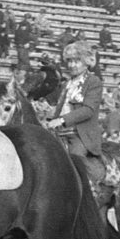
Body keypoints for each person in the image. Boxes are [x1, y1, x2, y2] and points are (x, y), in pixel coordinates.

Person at [44, 41, 104, 184]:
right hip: (60, 132)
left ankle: (90, 190)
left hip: (80, 134)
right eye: (69, 61)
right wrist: (50, 117)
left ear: (86, 62)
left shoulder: (94, 81)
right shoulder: (67, 84)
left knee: (76, 158)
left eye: (76, 61)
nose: (71, 65)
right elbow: (60, 108)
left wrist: (62, 120)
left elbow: (88, 110)